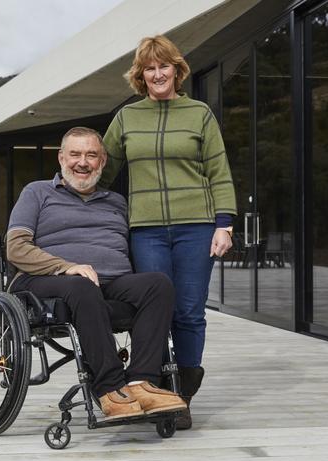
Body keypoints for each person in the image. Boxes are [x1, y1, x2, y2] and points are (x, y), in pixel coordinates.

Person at [101, 35, 237, 429]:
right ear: (140, 76)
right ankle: (155, 387)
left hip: (197, 227)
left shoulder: (199, 115)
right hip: (146, 231)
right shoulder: (127, 118)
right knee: (154, 311)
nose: (157, 73)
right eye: (149, 68)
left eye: (164, 66)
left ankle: (184, 395)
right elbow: (103, 170)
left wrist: (224, 224)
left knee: (189, 312)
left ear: (177, 71)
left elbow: (219, 171)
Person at [6, 126, 186, 420]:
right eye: (75, 154)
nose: (83, 162)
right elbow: (15, 248)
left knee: (158, 284)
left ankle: (141, 382)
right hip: (45, 282)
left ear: (102, 162)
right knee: (81, 285)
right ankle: (110, 388)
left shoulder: (116, 202)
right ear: (61, 158)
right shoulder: (37, 192)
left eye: (91, 155)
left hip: (108, 284)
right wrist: (67, 267)